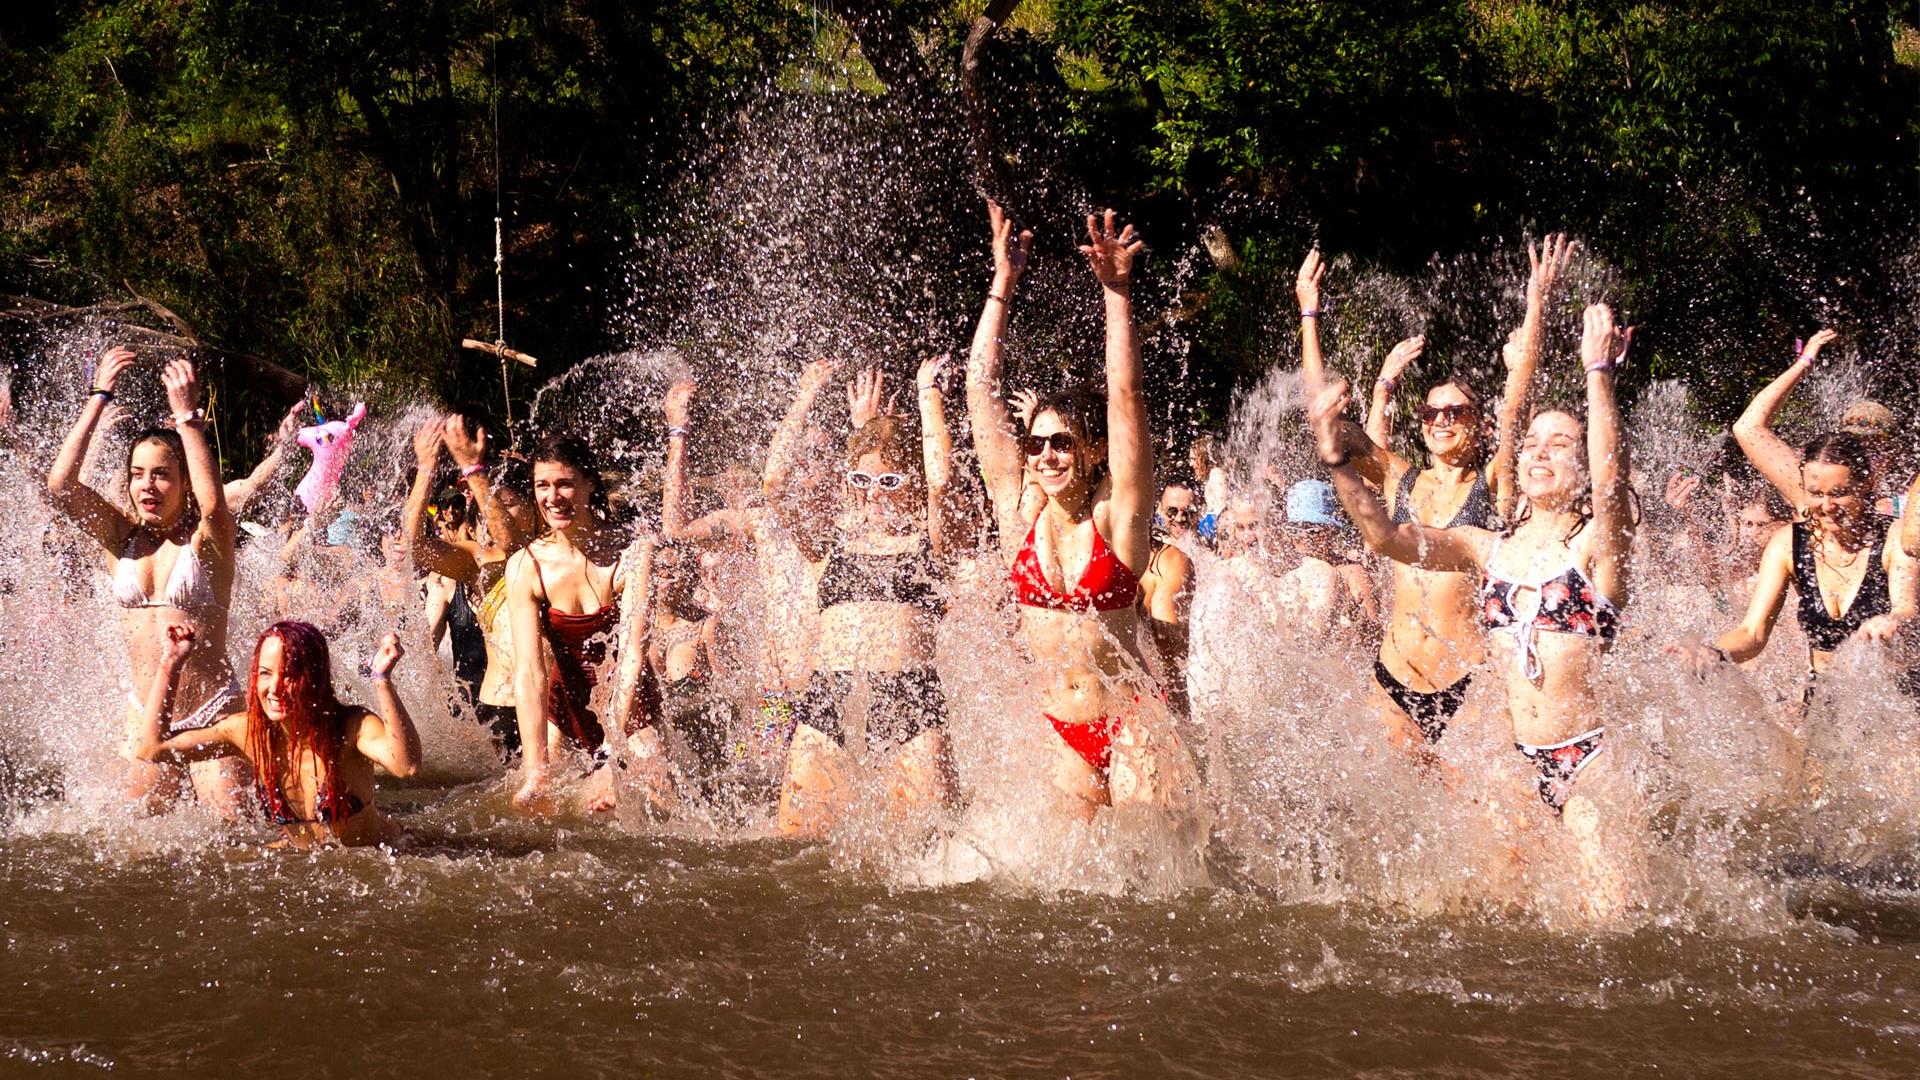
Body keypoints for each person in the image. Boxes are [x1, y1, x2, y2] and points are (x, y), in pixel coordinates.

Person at [1308, 303, 1637, 913]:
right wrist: (1335, 464)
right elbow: (1385, 537)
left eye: (1559, 444)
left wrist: (1598, 376)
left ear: (1582, 462)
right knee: (1495, 917)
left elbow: (1612, 488)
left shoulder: (1596, 549)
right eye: (1532, 443)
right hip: (1509, 766)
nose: (1539, 452)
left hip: (1585, 758)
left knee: (1607, 922)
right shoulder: (1488, 549)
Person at [966, 202, 1197, 821]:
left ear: (1092, 450)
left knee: (1153, 892)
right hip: (1061, 730)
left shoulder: (1117, 519)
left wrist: (1116, 294)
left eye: (1061, 441)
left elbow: (1125, 398)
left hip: (1132, 723)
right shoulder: (1020, 515)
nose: (1045, 455)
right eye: (1036, 443)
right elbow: (978, 391)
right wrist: (1002, 284)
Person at [1299, 235, 1574, 748]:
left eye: (1456, 412)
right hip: (1393, 676)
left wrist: (1538, 303)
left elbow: (1517, 406)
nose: (1441, 420)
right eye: (1431, 412)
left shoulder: (1495, 483)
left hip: (1467, 684)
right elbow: (1326, 420)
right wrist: (1309, 316)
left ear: (1479, 426)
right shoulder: (1400, 476)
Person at [759, 359, 968, 836]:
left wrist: (927, 394)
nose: (874, 493)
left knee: (926, 849)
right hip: (827, 701)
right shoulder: (830, 544)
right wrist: (805, 395)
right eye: (862, 480)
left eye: (890, 482)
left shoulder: (931, 544)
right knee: (799, 856)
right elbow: (774, 484)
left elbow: (942, 481)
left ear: (910, 485)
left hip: (910, 701)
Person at [45, 347, 250, 813]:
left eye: (161, 475)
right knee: (133, 841)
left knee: (233, 836)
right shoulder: (120, 539)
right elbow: (61, 487)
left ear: (183, 482)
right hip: (146, 715)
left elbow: (215, 504)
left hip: (212, 714)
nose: (147, 486)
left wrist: (188, 420)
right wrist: (97, 397)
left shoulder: (208, 542)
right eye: (138, 474)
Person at [1671, 433, 1918, 703]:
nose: (1827, 506)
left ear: (1865, 484)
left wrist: (1891, 622)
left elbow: (1906, 609)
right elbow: (1752, 633)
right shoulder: (1788, 544)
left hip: (1897, 699)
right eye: (1816, 494)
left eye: (1839, 493)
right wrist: (1713, 652)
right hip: (1824, 699)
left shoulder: (1893, 539)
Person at [127, 620, 420, 847]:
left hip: (389, 850)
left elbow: (405, 765)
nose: (275, 688)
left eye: (290, 674)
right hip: (304, 860)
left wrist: (382, 679)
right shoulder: (247, 732)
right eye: (265, 673)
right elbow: (151, 748)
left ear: (315, 677)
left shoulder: (351, 727)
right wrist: (171, 664)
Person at [505, 434, 645, 812]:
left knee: (650, 807)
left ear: (590, 483)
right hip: (565, 711)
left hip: (633, 708)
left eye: (565, 483)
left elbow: (632, 656)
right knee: (549, 810)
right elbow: (529, 674)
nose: (553, 497)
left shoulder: (631, 552)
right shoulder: (524, 566)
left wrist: (612, 757)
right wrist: (535, 770)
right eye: (542, 486)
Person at [402, 413, 536, 761]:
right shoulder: (477, 559)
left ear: (536, 508)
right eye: (488, 506)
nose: (494, 513)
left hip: (549, 701)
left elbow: (513, 545)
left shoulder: (548, 554)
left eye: (507, 504)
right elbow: (414, 545)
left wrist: (472, 469)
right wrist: (425, 470)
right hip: (500, 706)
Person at [1733, 328, 1906, 516]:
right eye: (1854, 446)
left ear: (1892, 455)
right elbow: (1748, 427)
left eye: (1874, 449)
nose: (1861, 456)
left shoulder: (1909, 510)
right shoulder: (1811, 494)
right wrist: (1803, 364)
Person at [1276, 478, 1377, 645]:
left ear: (1331, 531)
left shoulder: (1352, 573)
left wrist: (1352, 621)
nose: (1302, 538)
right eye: (1294, 530)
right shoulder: (1288, 572)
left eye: (1312, 530)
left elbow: (1374, 638)